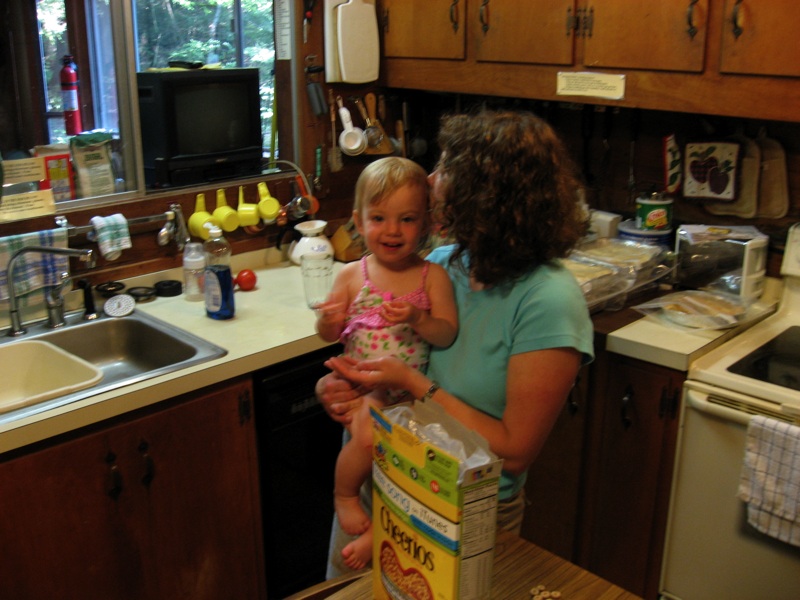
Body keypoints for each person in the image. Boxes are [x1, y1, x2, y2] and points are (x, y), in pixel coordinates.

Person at [319, 109, 595, 578]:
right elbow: (383, 354)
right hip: (379, 488)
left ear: (486, 193)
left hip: (459, 515)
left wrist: (414, 383)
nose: (430, 178)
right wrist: (341, 389)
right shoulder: (442, 265)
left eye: (445, 168)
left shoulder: (549, 300)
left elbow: (515, 450)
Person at [314, 156, 459, 571]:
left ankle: (378, 534)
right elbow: (329, 333)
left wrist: (418, 318)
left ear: (426, 223)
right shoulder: (349, 275)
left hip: (412, 396)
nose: (392, 230)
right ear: (358, 223)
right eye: (379, 218)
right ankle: (344, 495)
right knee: (364, 440)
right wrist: (326, 320)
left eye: (407, 219)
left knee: (409, 483)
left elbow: (446, 332)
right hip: (366, 390)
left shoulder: (432, 277)